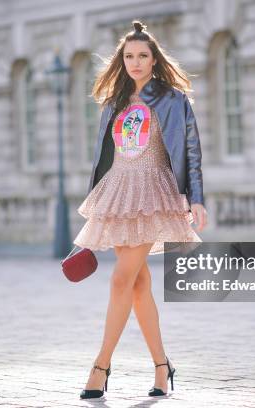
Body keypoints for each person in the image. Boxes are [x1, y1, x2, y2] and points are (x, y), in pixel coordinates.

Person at [73, 20, 208, 399]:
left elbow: (192, 151)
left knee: (121, 279)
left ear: (154, 59)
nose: (135, 62)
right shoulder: (113, 102)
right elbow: (105, 154)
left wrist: (196, 197)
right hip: (119, 192)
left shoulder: (173, 100)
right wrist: (97, 200)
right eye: (128, 56)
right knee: (138, 284)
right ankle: (162, 367)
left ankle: (100, 367)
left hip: (153, 193)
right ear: (122, 60)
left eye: (142, 56)